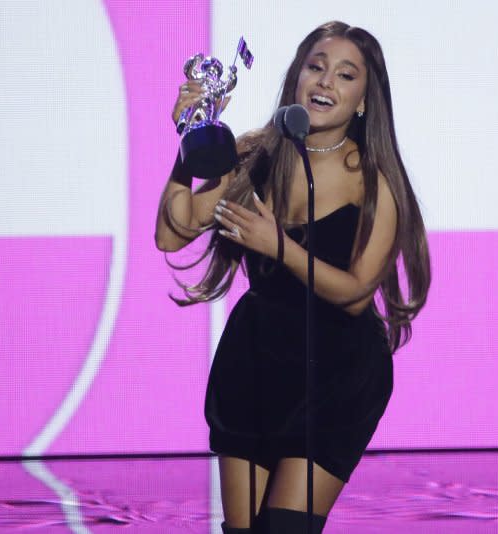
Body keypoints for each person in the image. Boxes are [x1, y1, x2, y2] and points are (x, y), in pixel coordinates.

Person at [155, 20, 431, 534]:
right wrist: (191, 137)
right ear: (297, 77)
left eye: (346, 75)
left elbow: (354, 294)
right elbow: (172, 234)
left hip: (337, 375)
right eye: (316, 67)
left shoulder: (373, 180)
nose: (326, 82)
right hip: (256, 363)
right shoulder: (254, 156)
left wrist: (277, 246)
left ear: (364, 100)